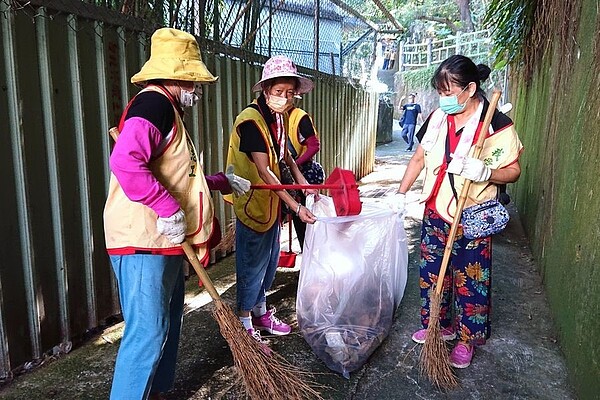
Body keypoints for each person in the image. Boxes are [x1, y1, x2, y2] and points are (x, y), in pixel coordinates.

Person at [103, 28, 249, 400]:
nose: (198, 88)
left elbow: (177, 173)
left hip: (164, 240)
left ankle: (156, 394)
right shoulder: (152, 105)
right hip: (142, 242)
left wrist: (221, 181)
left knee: (167, 323)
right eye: (192, 80)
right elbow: (125, 161)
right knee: (148, 332)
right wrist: (167, 209)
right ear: (173, 76)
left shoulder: (169, 109)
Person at [393, 55, 523, 369]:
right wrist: (400, 193)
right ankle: (440, 326)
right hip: (436, 210)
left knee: (471, 278)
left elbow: (514, 170)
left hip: (474, 215)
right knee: (432, 274)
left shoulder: (494, 123)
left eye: (449, 92)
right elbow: (419, 160)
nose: (444, 99)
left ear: (470, 89)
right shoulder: (438, 117)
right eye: (440, 92)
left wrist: (485, 171)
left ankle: (466, 339)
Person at [224, 55, 319, 344]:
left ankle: (262, 313)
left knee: (269, 263)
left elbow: (285, 156)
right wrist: (296, 205)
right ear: (265, 91)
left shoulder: (279, 118)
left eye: (290, 93)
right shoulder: (250, 122)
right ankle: (244, 322)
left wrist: (303, 183)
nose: (285, 98)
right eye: (278, 92)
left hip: (271, 206)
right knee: (251, 264)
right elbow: (265, 171)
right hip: (253, 203)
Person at [287, 99, 323, 251]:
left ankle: (312, 263)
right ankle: (308, 261)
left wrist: (296, 164)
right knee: (297, 218)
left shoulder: (300, 117)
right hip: (289, 174)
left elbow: (314, 145)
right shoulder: (277, 119)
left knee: (306, 221)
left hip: (304, 175)